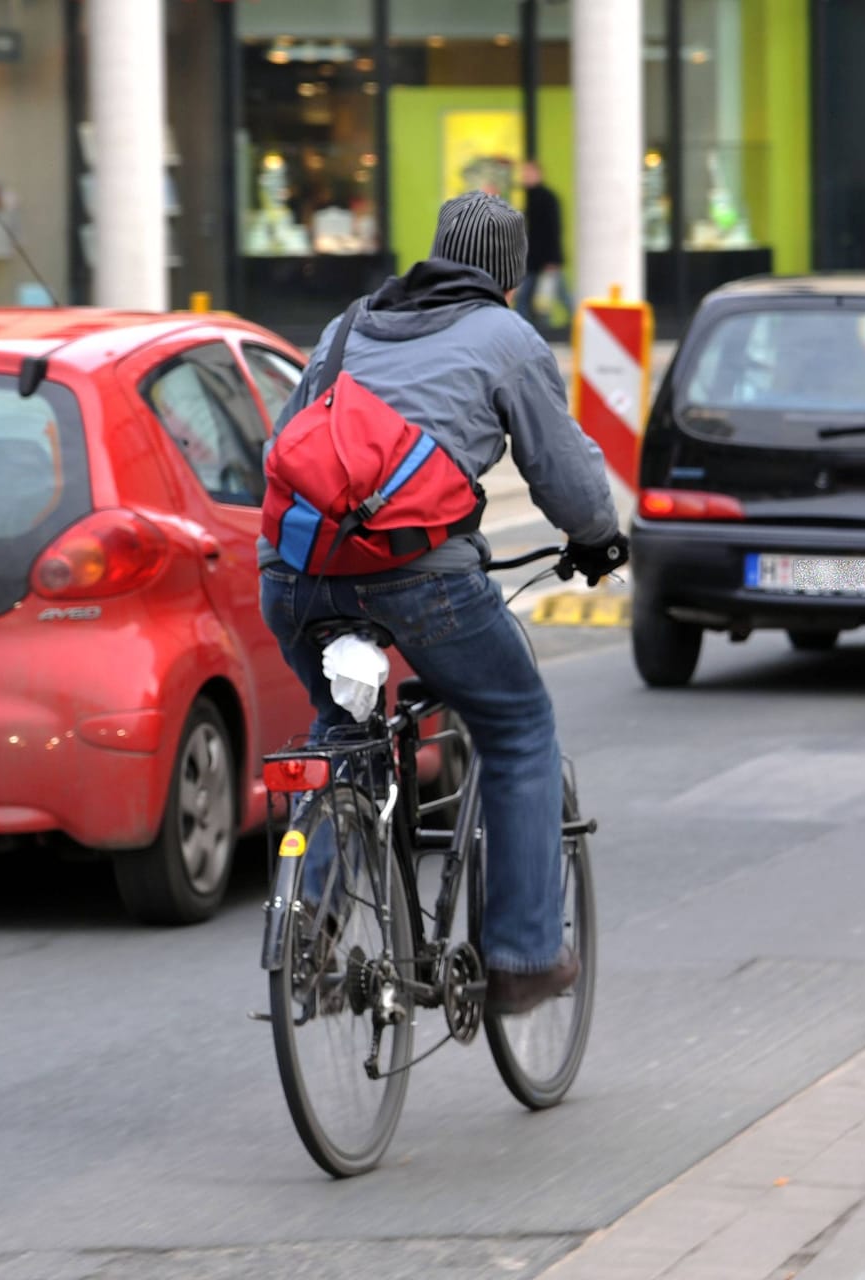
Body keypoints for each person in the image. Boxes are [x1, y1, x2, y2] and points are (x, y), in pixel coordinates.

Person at [259, 191, 626, 1015]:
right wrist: (599, 539)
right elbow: (566, 479)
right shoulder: (506, 338)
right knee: (517, 724)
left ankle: (309, 934)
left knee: (343, 728)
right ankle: (525, 957)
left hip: (293, 576)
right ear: (509, 280)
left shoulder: (348, 325)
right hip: (422, 579)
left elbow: (283, 446)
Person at [518, 159, 571, 335]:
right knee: (527, 296)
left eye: (529, 173)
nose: (526, 177)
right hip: (531, 258)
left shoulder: (547, 198)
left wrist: (552, 258)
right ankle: (526, 331)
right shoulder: (527, 198)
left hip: (545, 258)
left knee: (551, 295)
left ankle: (581, 325)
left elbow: (553, 229)